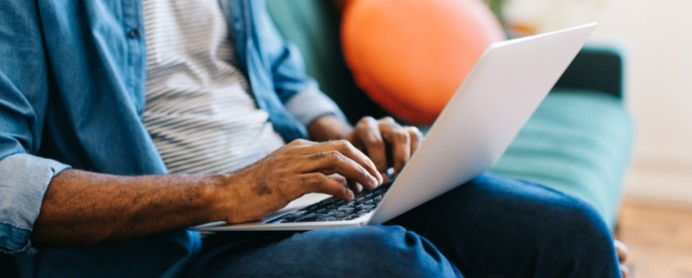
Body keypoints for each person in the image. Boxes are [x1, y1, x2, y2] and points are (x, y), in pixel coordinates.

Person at [0, 0, 623, 277]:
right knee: (397, 266)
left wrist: (342, 133)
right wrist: (225, 193)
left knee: (566, 231)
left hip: (302, 196)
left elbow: (282, 75)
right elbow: (6, 184)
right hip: (180, 238)